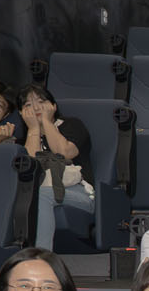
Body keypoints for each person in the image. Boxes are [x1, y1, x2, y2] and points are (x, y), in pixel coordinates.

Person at [16, 86, 93, 250]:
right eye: (28, 105)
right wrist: (34, 129)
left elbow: (64, 152)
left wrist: (46, 122)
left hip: (78, 191)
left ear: (54, 106)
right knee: (31, 194)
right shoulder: (21, 140)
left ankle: (41, 257)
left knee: (40, 195)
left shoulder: (72, 125)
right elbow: (30, 168)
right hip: (38, 189)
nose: (36, 108)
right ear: (21, 113)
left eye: (41, 102)